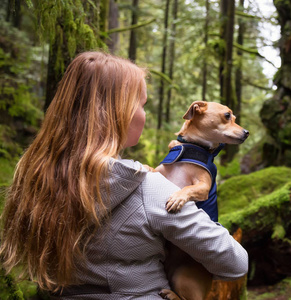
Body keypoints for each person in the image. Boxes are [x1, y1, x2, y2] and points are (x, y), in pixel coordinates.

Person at [0, 51, 248, 299]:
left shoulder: (33, 176)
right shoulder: (148, 188)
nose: (143, 114)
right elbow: (235, 262)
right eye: (142, 105)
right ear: (118, 112)